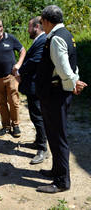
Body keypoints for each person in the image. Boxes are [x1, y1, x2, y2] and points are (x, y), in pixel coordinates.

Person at [35, 5, 87, 193]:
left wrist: (72, 82)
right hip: (57, 93)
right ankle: (57, 170)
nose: (41, 25)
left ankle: (62, 181)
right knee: (54, 134)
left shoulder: (56, 38)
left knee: (58, 137)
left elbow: (64, 67)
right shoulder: (67, 34)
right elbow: (73, 64)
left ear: (47, 21)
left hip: (55, 94)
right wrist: (75, 80)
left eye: (41, 22)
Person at [13, 16, 48, 165]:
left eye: (29, 27)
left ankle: (43, 149)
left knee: (38, 116)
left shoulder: (43, 40)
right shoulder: (40, 39)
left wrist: (19, 71)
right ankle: (38, 141)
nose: (28, 30)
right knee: (35, 116)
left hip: (36, 86)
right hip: (33, 85)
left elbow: (35, 60)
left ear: (36, 27)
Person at [0, 18, 26, 138]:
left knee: (13, 102)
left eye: (1, 26)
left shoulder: (10, 38)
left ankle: (16, 125)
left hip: (11, 77)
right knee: (1, 103)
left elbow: (23, 50)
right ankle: (6, 127)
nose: (0, 29)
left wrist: (18, 65)